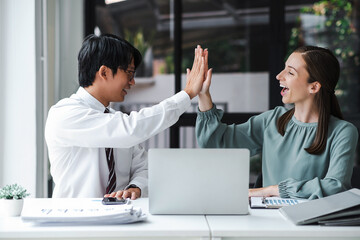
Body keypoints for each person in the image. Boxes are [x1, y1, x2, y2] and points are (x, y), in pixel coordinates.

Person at [45, 34, 210, 199]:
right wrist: (187, 94)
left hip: (120, 218)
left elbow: (143, 167)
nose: (132, 82)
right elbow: (130, 129)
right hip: (74, 221)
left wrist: (135, 187)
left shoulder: (115, 119)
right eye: (129, 73)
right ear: (104, 72)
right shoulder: (64, 114)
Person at [196, 46, 358, 199]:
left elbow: (335, 187)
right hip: (269, 222)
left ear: (314, 87)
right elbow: (214, 143)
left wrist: (273, 190)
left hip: (313, 226)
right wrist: (203, 94)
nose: (279, 76)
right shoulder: (272, 120)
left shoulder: (342, 132)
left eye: (290, 72)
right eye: (284, 68)